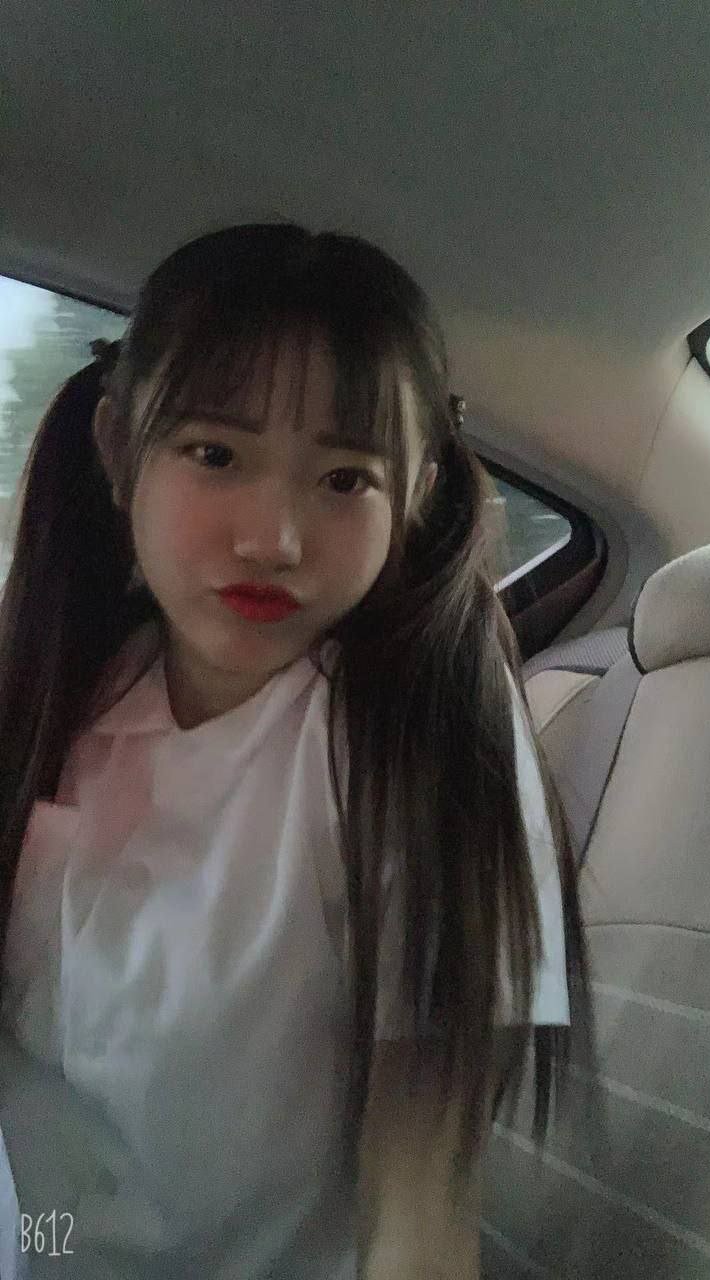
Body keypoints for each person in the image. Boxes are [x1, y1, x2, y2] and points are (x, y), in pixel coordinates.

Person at [0, 224, 588, 1279]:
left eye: (345, 479)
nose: (274, 537)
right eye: (215, 455)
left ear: (416, 492)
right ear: (118, 452)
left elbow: (420, 1210)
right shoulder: (60, 687)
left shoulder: (420, 738)